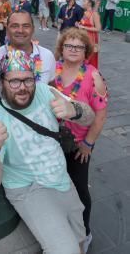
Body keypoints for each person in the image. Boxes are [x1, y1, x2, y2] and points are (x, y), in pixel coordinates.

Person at [0, 48, 96, 254]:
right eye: (14, 81)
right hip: (29, 189)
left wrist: (74, 110)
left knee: (80, 240)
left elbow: (90, 117)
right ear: (2, 82)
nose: (22, 88)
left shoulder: (43, 91)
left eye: (28, 80)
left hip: (62, 179)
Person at [55, 28, 108, 252]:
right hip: (52, 141)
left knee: (78, 189)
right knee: (56, 186)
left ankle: (84, 232)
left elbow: (101, 114)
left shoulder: (93, 76)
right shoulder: (52, 69)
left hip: (78, 144)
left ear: (85, 50)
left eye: (79, 47)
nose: (73, 50)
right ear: (62, 48)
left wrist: (88, 143)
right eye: (69, 46)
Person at [0, 10, 56, 107]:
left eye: (26, 26)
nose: (20, 30)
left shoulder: (47, 55)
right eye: (15, 26)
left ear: (33, 29)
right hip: (6, 120)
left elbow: (52, 92)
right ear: (7, 30)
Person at [76, 0, 101, 68]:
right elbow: (82, 24)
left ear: (89, 3)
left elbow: (98, 28)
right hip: (83, 39)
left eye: (84, 1)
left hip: (91, 40)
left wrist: (84, 27)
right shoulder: (85, 13)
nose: (83, 3)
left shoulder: (95, 14)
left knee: (90, 60)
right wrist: (78, 24)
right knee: (83, 59)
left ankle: (90, 76)